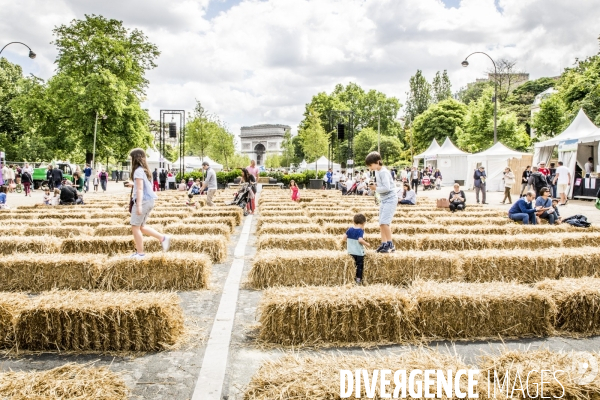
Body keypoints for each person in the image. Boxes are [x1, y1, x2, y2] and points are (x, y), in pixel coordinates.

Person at [129, 148, 170, 260]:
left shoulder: (137, 171)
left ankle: (140, 253)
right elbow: (142, 186)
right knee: (141, 227)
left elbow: (140, 189)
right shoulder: (145, 170)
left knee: (135, 227)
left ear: (135, 158)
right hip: (149, 201)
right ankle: (162, 238)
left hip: (143, 201)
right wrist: (133, 185)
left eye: (131, 158)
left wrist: (138, 205)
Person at [366, 151, 397, 253]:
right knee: (381, 223)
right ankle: (384, 243)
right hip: (384, 199)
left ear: (378, 162)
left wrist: (375, 188)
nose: (370, 167)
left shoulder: (383, 172)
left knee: (385, 222)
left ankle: (390, 245)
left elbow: (387, 187)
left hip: (390, 198)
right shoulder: (377, 171)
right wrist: (374, 186)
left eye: (371, 165)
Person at [342, 213, 371, 285]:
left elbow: (344, 238)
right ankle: (358, 280)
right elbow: (360, 240)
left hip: (350, 251)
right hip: (358, 253)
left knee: (352, 265)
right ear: (364, 223)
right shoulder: (360, 231)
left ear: (354, 222)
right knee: (359, 266)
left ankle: (350, 278)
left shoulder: (350, 229)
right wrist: (367, 244)